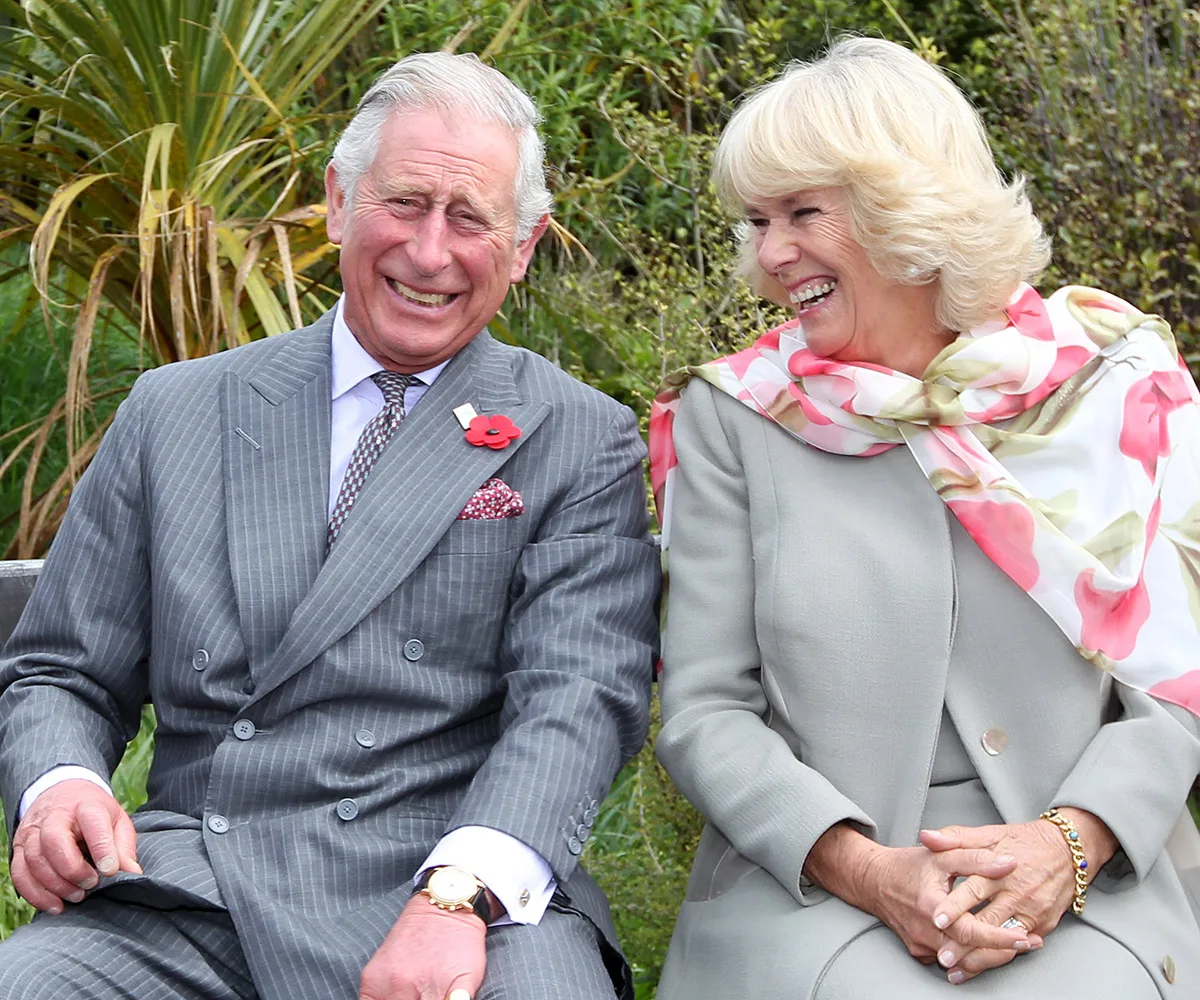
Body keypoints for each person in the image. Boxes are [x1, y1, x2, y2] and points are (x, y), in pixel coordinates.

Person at [0, 52, 660, 1000]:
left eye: (469, 218)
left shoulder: (578, 435)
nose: (429, 253)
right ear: (339, 202)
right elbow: (63, 669)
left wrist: (457, 895)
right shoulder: (176, 410)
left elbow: (577, 699)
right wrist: (60, 783)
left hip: (463, 881)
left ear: (523, 247)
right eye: (405, 203)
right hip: (197, 889)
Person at [648, 36, 1200, 998]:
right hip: (815, 887)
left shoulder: (1114, 383)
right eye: (758, 221)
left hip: (1087, 874)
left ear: (905, 207)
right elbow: (705, 711)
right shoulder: (735, 417)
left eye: (803, 213)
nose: (771, 255)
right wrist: (869, 869)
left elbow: (1177, 684)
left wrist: (1066, 846)